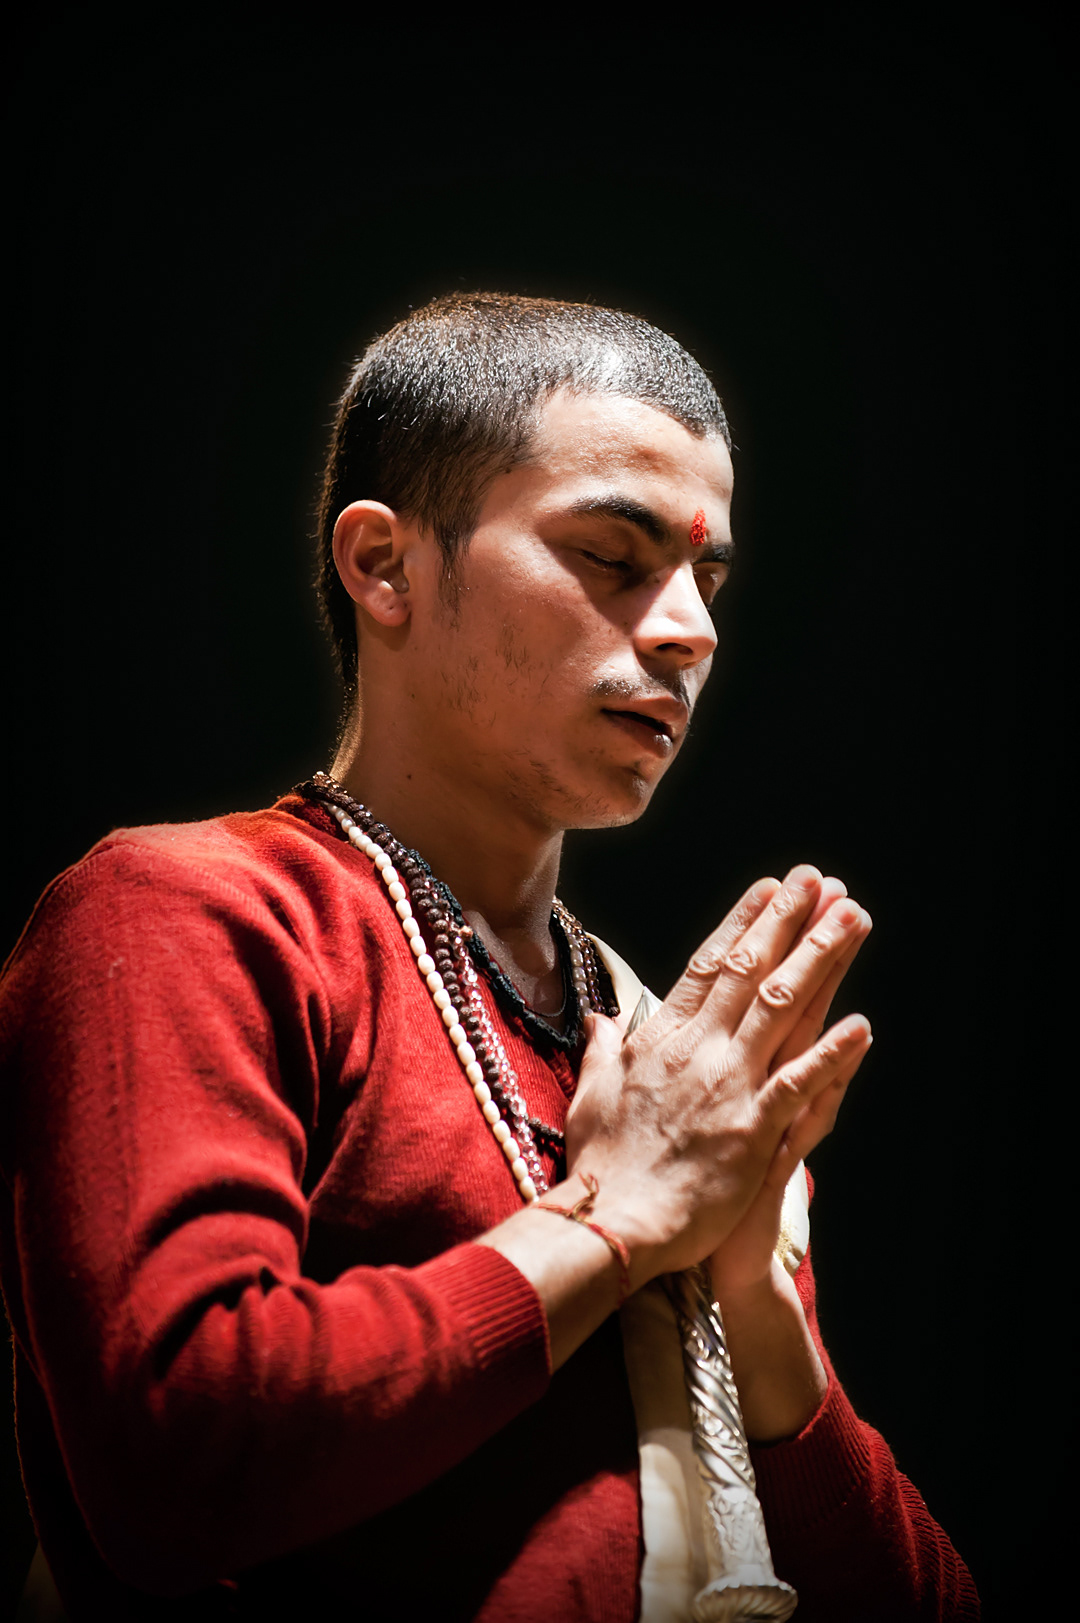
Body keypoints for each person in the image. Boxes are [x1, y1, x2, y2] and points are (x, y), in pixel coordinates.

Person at [0, 293, 979, 1621]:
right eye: (613, 555)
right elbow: (178, 1463)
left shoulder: (661, 1057)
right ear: (385, 566)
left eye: (707, 579)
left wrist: (752, 1298)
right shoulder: (188, 914)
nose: (689, 627)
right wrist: (618, 1221)